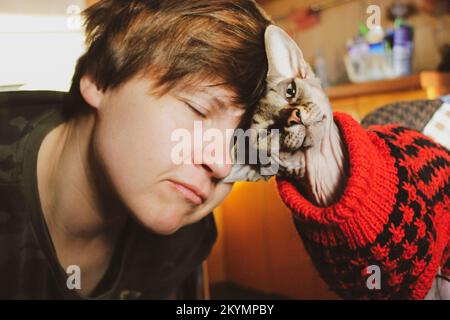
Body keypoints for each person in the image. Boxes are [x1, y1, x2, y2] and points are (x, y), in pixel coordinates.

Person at [0, 0, 271, 299]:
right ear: (101, 78)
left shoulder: (188, 236)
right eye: (198, 108)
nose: (222, 165)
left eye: (241, 142)